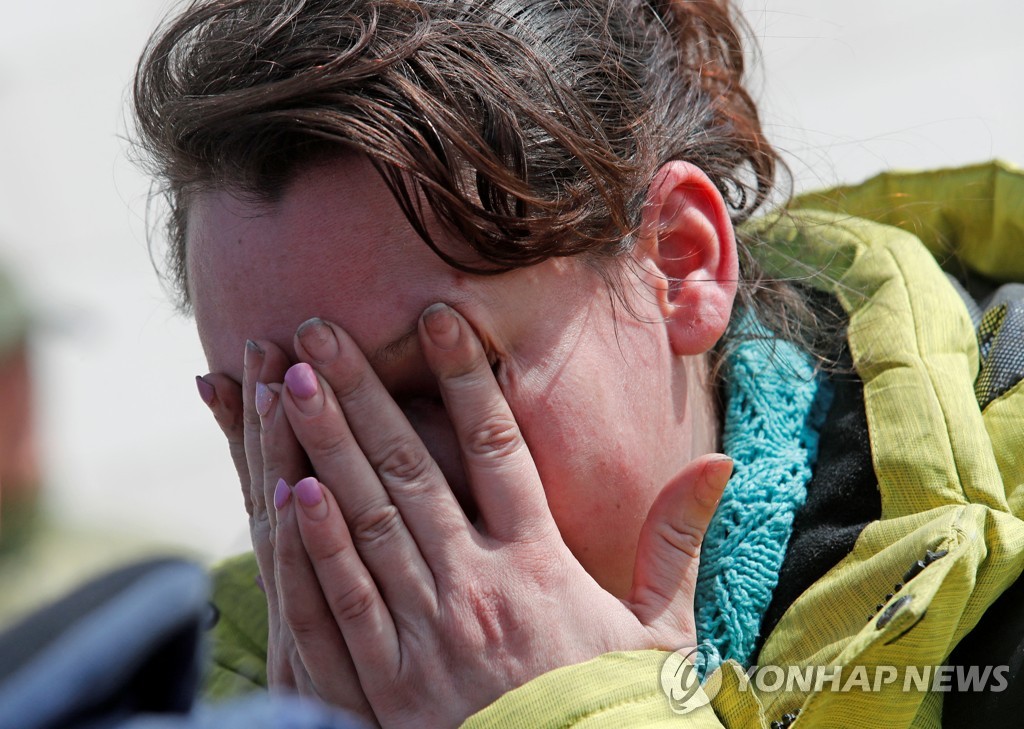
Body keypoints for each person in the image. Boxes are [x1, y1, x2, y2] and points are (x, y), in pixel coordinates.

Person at [131, 1, 1024, 727]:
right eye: (286, 420)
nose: (378, 497)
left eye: (442, 379)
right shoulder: (178, 685)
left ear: (678, 261)